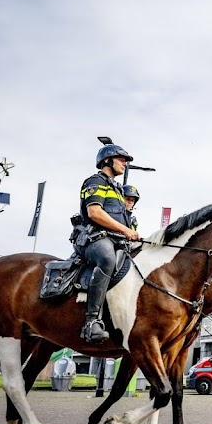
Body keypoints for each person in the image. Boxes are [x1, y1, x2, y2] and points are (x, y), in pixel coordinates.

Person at [76, 144, 140, 343]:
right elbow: (94, 212)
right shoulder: (95, 181)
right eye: (121, 159)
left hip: (116, 240)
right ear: (107, 161)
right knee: (107, 259)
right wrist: (125, 230)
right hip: (93, 239)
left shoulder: (118, 189)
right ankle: (91, 321)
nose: (125, 164)